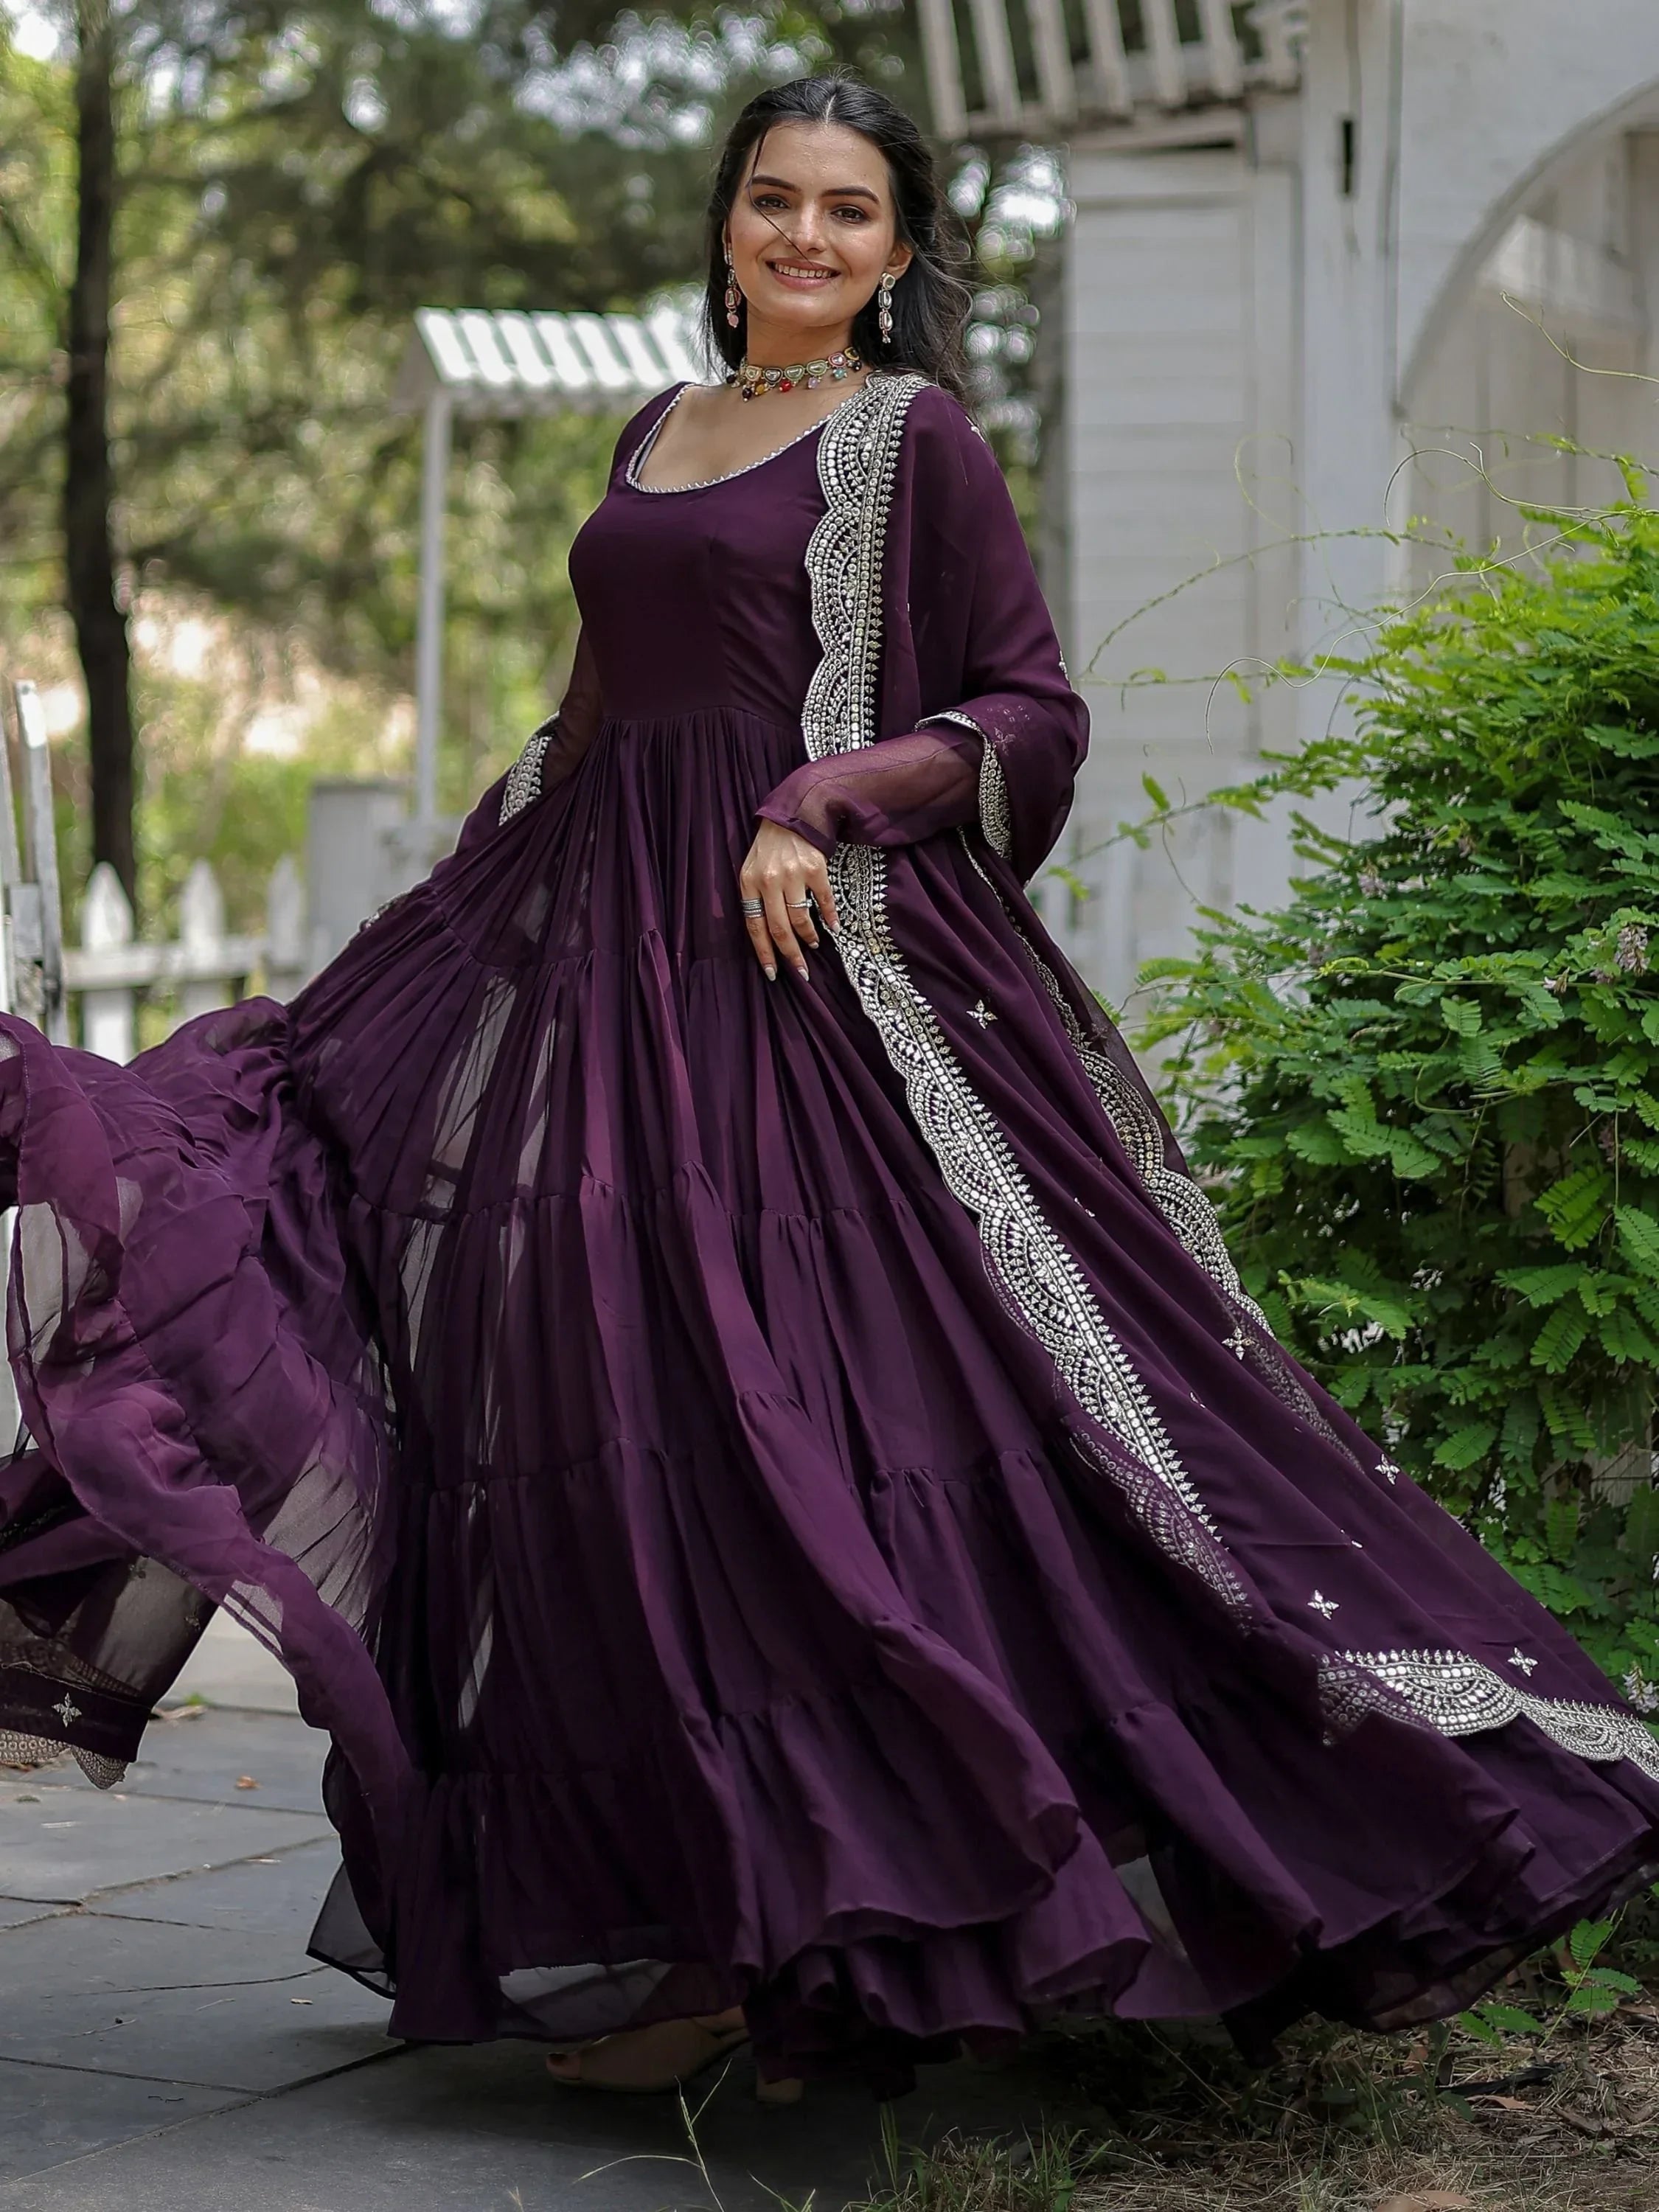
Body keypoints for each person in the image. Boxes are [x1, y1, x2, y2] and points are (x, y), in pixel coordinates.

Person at [2, 72, 1657, 2107]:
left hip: (815, 991)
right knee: (601, 1402)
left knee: (812, 1430)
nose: (802, 238)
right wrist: (469, 901)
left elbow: (1029, 707)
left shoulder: (912, 439)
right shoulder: (655, 430)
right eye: (771, 202)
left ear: (894, 253)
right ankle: (710, 1945)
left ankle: (891, 1931)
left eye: (846, 213)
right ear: (724, 228)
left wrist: (822, 797)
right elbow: (603, 706)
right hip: (606, 953)